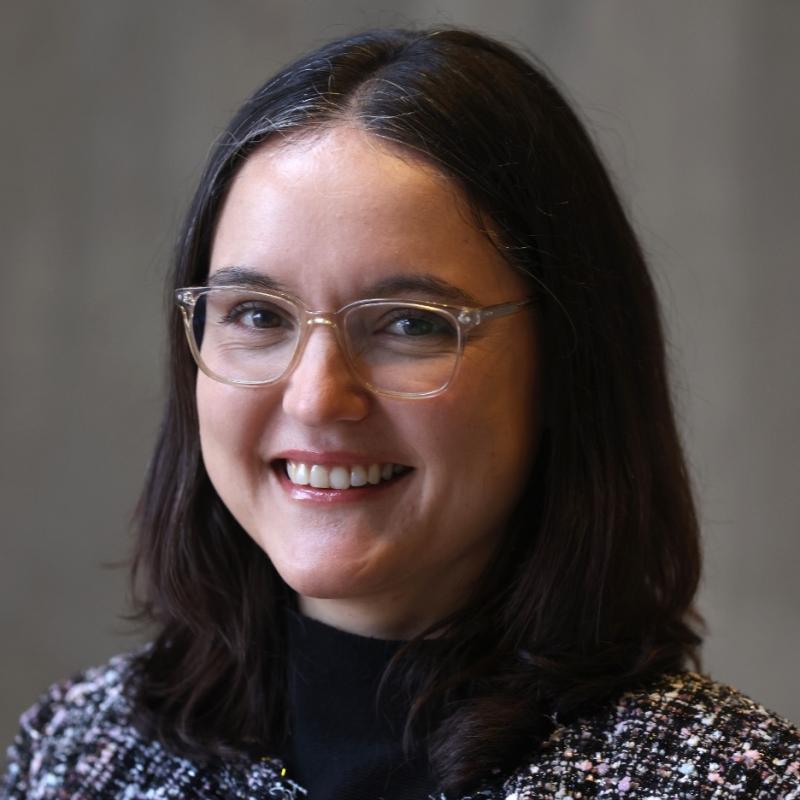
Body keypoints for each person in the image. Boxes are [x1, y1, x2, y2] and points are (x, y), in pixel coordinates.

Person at [3, 26, 799, 800]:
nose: (317, 397)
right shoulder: (78, 753)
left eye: (410, 324)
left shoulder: (736, 781)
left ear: (566, 365)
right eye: (257, 315)